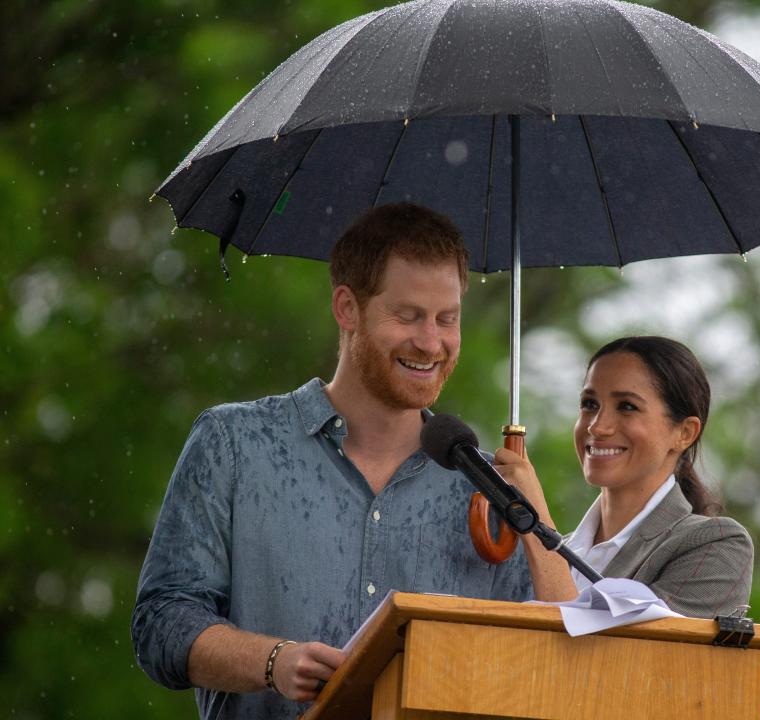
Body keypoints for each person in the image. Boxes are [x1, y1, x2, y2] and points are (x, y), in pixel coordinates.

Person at [131, 203, 531, 719]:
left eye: (446, 319)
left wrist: (532, 513)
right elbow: (160, 624)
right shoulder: (233, 443)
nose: (431, 343)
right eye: (407, 316)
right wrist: (273, 661)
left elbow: (534, 665)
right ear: (347, 308)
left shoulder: (491, 489)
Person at [495, 335, 753, 618]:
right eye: (589, 404)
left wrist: (535, 525)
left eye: (627, 407)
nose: (597, 426)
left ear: (684, 433)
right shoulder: (557, 550)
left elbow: (600, 657)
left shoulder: (715, 545)